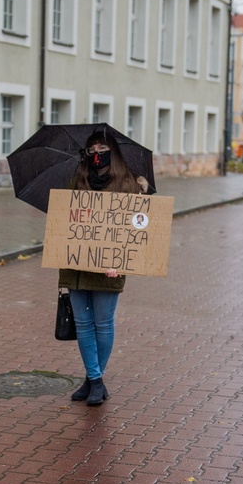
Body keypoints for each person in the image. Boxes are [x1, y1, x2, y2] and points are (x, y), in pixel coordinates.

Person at [59, 127, 149, 406]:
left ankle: (94, 379)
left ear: (114, 152)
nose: (97, 154)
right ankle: (95, 380)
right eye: (92, 150)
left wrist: (121, 259)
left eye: (102, 149)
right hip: (76, 265)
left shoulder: (130, 184)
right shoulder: (76, 180)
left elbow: (139, 227)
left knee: (103, 322)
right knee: (83, 323)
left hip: (111, 265)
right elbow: (64, 222)